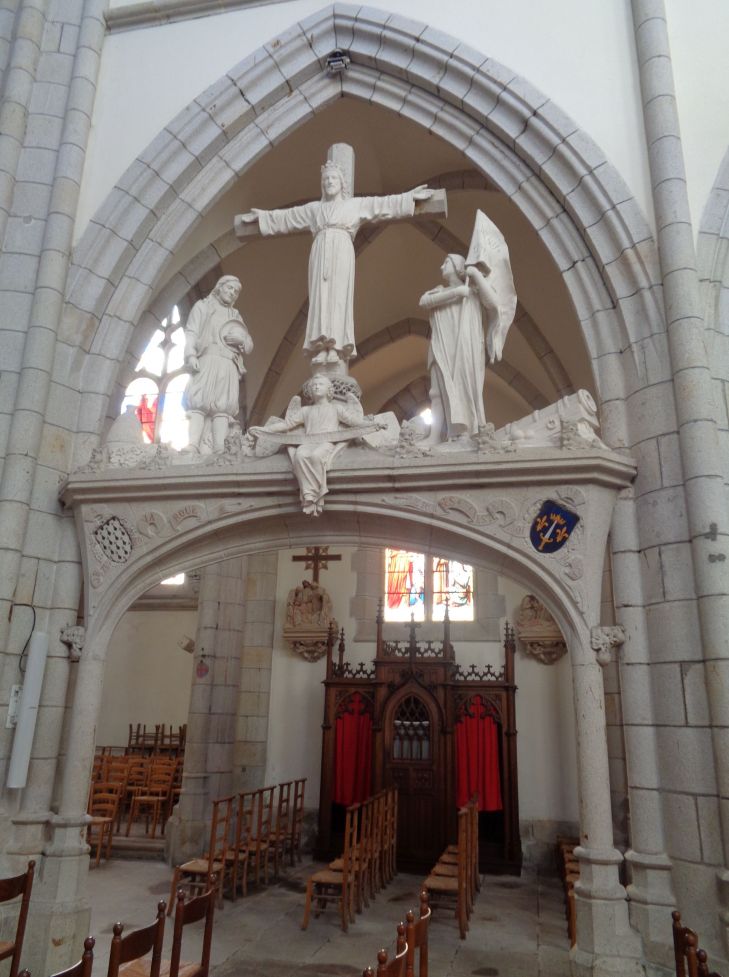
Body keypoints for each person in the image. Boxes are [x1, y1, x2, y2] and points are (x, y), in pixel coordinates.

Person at [238, 160, 433, 363]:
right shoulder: (314, 209)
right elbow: (287, 217)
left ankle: (336, 346)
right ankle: (321, 346)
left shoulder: (354, 205)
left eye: (333, 178)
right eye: (326, 179)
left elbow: (382, 205)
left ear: (342, 183)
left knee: (338, 298)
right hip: (320, 253)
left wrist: (409, 198)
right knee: (320, 299)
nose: (329, 182)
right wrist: (263, 218)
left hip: (341, 252)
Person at [253, 374, 378, 515]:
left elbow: (354, 421)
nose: (317, 387)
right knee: (300, 455)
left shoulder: (336, 408)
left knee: (316, 457)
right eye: (314, 385)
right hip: (307, 442)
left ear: (329, 390)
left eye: (320, 384)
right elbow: (287, 424)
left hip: (327, 442)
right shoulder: (306, 410)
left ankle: (317, 493)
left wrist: (373, 425)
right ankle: (308, 494)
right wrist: (265, 430)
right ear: (310, 391)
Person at [419, 254, 501, 444]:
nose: (441, 266)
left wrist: (475, 274)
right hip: (442, 347)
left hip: (465, 347)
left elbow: (494, 303)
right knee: (436, 392)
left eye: (446, 262)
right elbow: (424, 302)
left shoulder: (473, 291)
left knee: (466, 387)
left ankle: (466, 432)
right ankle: (434, 436)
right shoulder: (439, 292)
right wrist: (456, 293)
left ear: (458, 266)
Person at [182, 275, 253, 453]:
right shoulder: (203, 307)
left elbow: (249, 345)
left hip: (227, 362)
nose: (233, 293)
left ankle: (219, 446)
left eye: (236, 291)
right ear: (219, 287)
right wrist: (191, 355)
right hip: (207, 358)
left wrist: (242, 339)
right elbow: (191, 332)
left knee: (223, 405)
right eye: (229, 288)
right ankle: (193, 444)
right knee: (199, 400)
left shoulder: (234, 315)